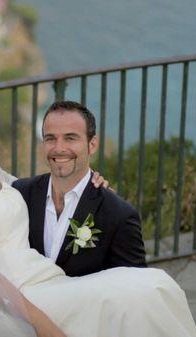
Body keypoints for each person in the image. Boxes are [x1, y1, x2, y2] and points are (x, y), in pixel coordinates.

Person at [0, 83, 196, 337]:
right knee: (140, 294)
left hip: (46, 281)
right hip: (9, 300)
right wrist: (43, 325)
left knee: (151, 288)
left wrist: (96, 187)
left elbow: (48, 191)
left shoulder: (1, 178)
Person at [12, 101, 146, 276]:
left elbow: (136, 287)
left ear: (92, 144)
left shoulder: (118, 215)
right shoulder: (20, 194)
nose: (59, 148)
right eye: (50, 138)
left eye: (70, 138)